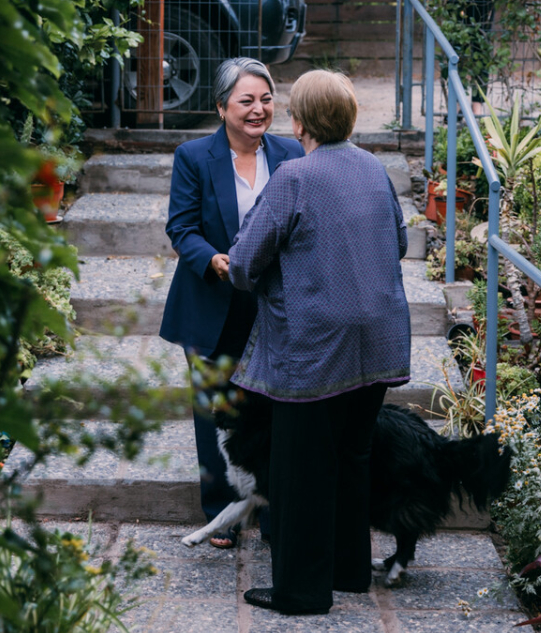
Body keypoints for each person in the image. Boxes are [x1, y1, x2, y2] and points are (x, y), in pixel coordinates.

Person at [227, 69, 411, 614]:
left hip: (314, 348)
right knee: (352, 457)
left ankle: (302, 592)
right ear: (350, 117)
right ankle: (348, 570)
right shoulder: (374, 168)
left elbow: (243, 261)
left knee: (302, 468)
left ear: (299, 120)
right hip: (377, 341)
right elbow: (398, 242)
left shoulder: (293, 176)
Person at [159, 58, 304, 549]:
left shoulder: (291, 154)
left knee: (272, 407)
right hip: (211, 302)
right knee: (214, 409)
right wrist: (215, 260)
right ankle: (218, 508)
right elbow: (181, 228)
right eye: (247, 101)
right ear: (221, 107)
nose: (259, 109)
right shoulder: (194, 156)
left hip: (274, 306)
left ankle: (270, 509)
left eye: (266, 99)